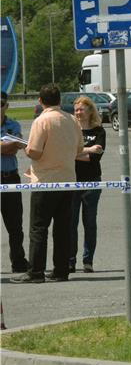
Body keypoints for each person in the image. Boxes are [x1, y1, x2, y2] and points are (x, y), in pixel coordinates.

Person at [12, 84, 83, 283]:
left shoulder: (41, 121)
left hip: (45, 181)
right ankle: (61, 270)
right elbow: (79, 149)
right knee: (62, 227)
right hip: (68, 180)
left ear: (40, 101)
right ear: (59, 100)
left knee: (39, 227)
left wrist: (23, 147)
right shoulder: (71, 120)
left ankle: (36, 272)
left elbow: (35, 152)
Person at [70, 96, 106, 273]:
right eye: (76, 109)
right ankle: (70, 260)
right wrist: (88, 149)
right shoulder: (70, 129)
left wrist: (77, 152)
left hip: (92, 181)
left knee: (89, 222)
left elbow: (94, 157)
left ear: (90, 110)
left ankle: (88, 260)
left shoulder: (99, 131)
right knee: (71, 223)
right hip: (71, 182)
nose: (78, 112)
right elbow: (65, 152)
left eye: (81, 109)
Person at [1, 92, 28, 273]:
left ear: (6, 106)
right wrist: (8, 145)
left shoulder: (13, 125)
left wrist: (7, 146)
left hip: (10, 177)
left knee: (15, 225)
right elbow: (11, 146)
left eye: (1, 104)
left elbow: (14, 149)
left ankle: (18, 261)